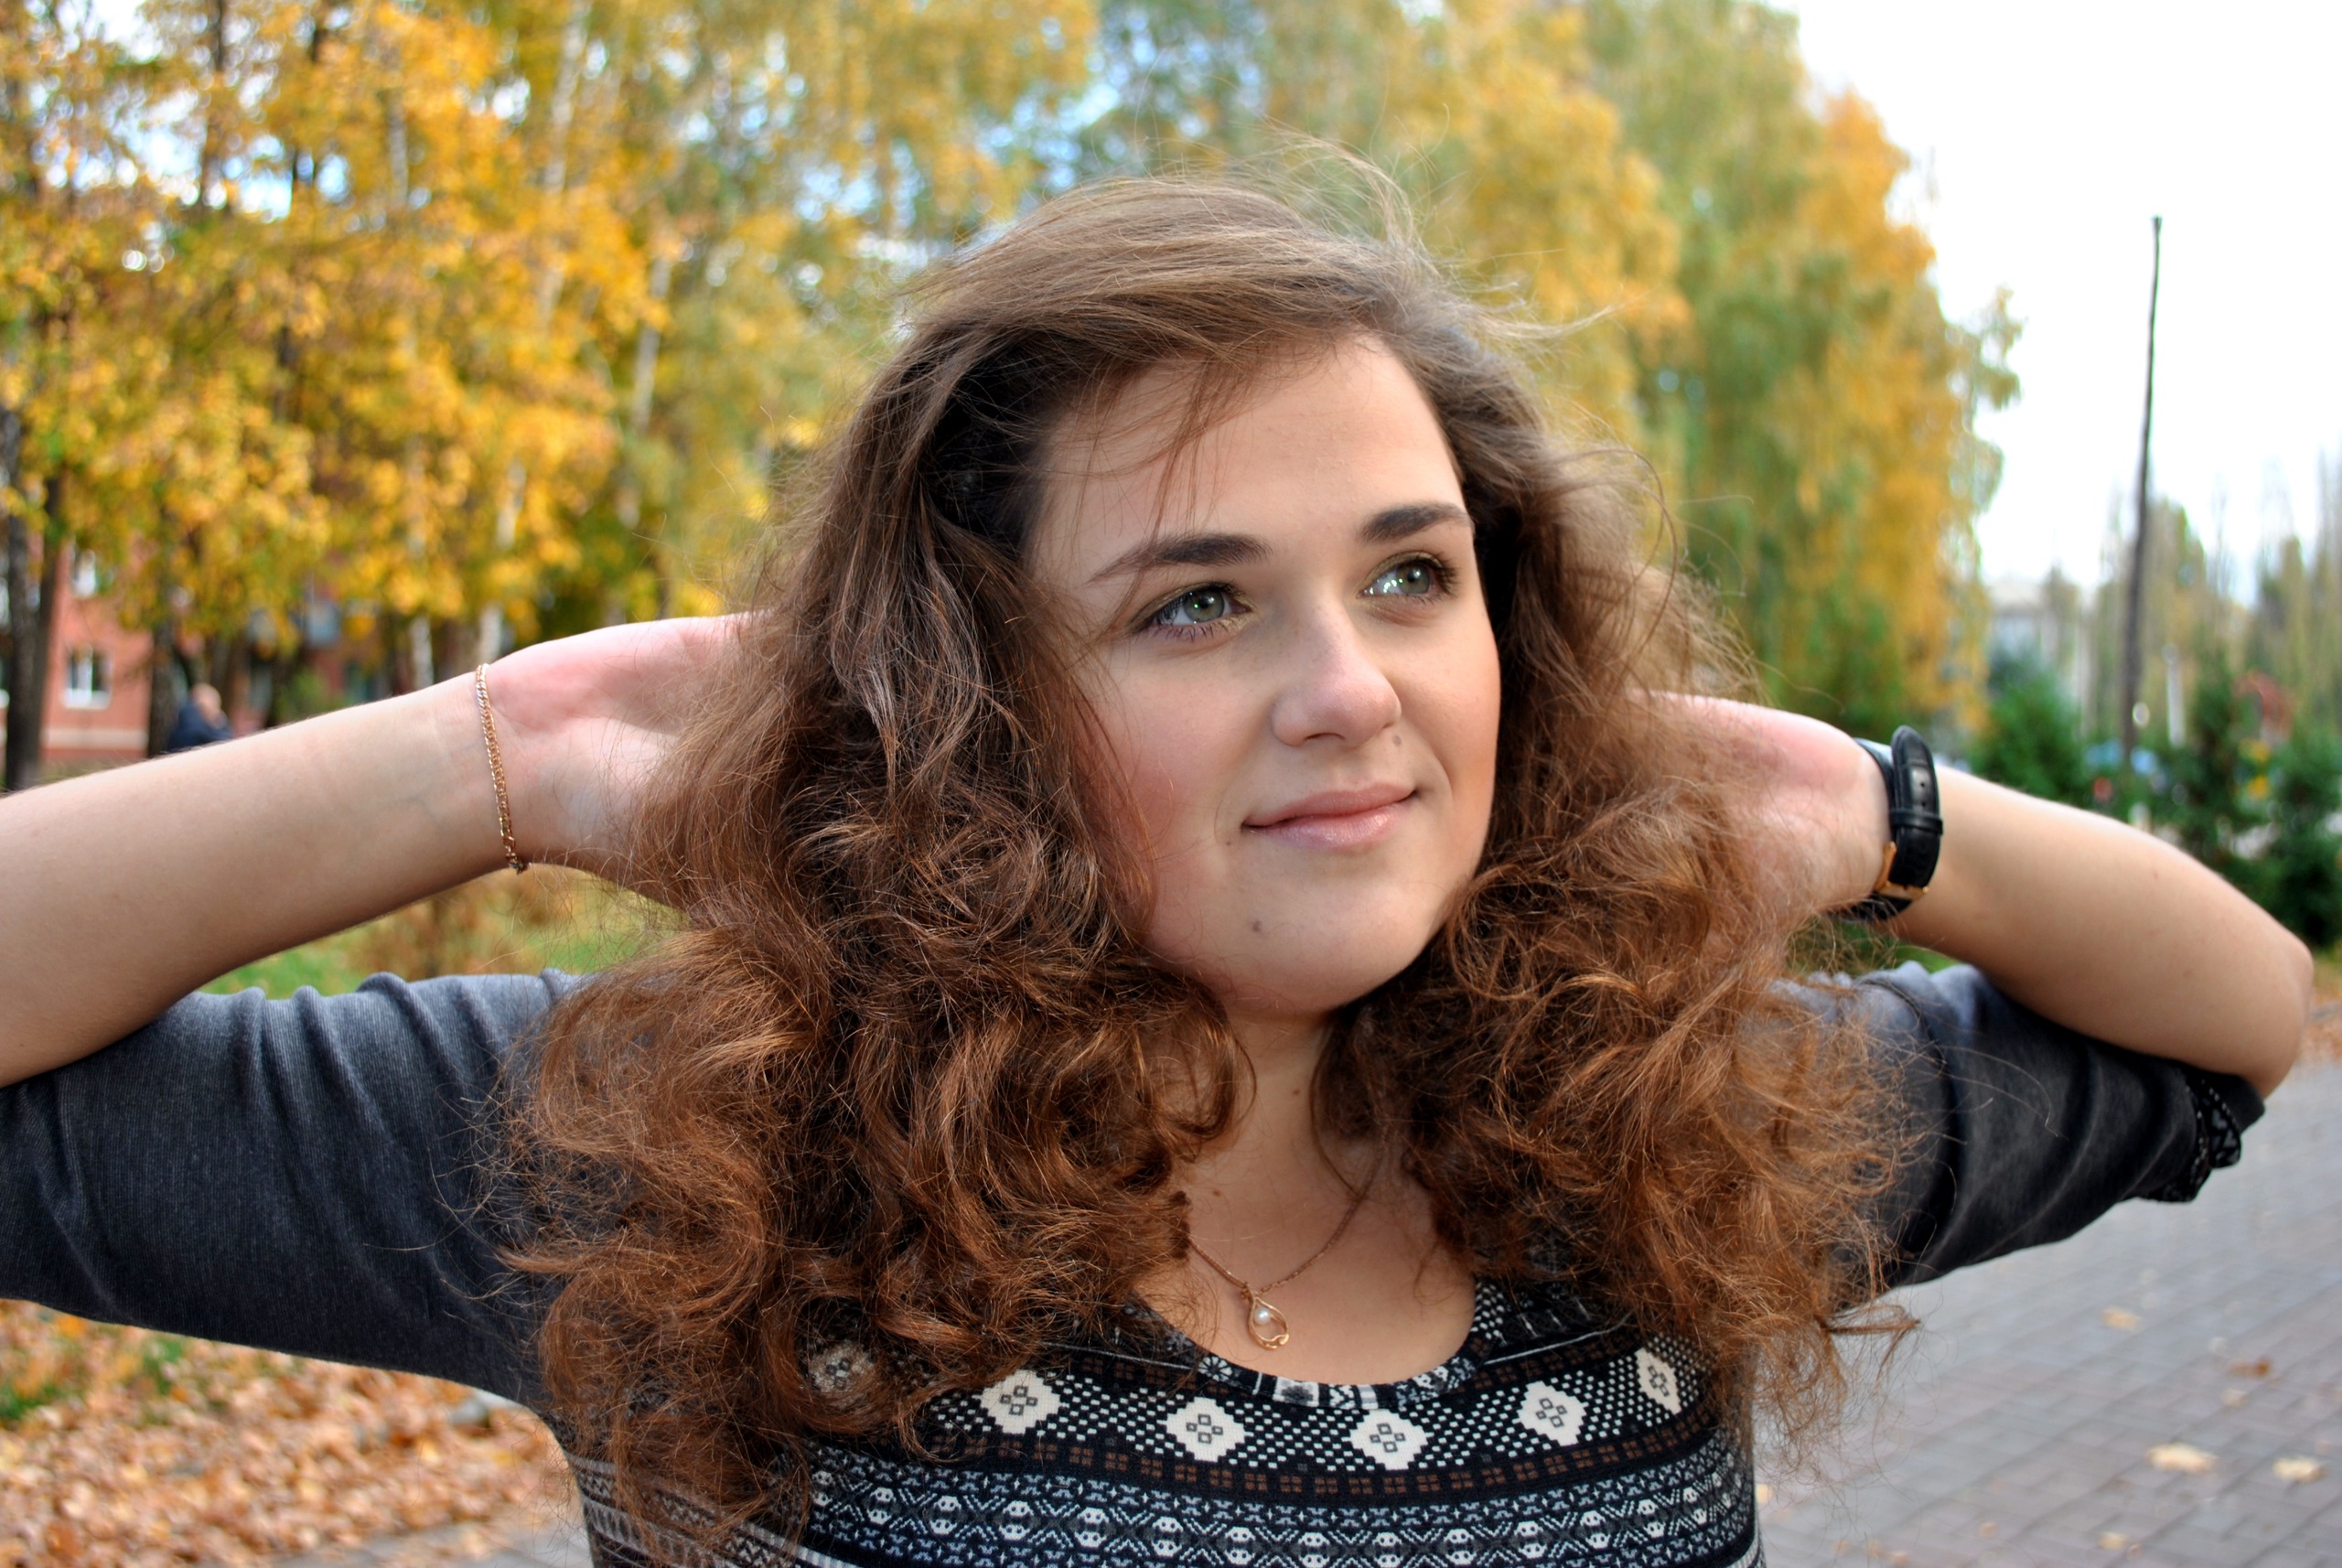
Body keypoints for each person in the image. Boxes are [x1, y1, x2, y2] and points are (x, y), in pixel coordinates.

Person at [0, 181, 2310, 1568]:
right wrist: (490, 752)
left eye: (1409, 576)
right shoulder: (668, 1150)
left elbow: (2223, 1026)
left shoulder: (1672, 1124)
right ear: (975, 692)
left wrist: (1876, 820)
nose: (1349, 689)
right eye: (1196, 602)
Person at [162, 681, 235, 752]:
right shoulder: (190, 731)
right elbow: (219, 744)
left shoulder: (209, 728)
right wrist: (220, 725)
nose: (216, 713)